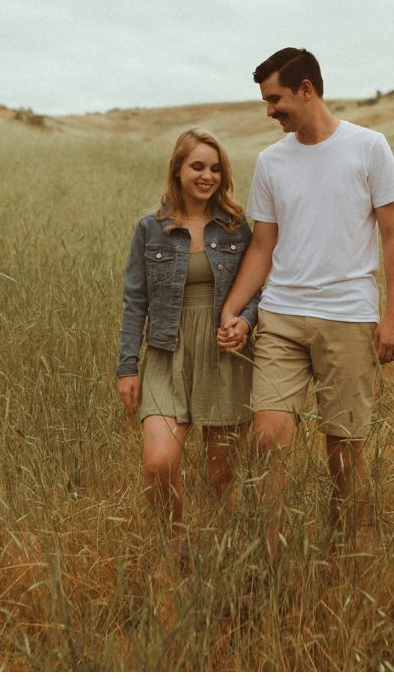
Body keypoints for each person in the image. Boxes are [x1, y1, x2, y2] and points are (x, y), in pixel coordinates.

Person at [215, 47, 394, 555]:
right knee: (267, 439)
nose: (269, 111)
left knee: (344, 450)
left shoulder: (369, 148)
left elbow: (393, 236)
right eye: (265, 101)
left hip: (348, 318)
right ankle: (269, 555)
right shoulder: (271, 160)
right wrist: (234, 309)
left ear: (306, 89)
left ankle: (347, 549)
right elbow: (264, 243)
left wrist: (393, 316)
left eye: (275, 99)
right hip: (281, 316)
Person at [116, 127, 259, 564]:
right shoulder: (150, 228)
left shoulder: (235, 227)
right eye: (197, 166)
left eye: (216, 168)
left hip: (223, 355)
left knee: (221, 476)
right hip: (165, 352)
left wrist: (246, 323)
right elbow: (134, 299)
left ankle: (218, 553)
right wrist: (127, 366)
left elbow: (256, 288)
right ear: (177, 169)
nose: (207, 176)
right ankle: (174, 547)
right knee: (159, 463)